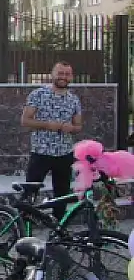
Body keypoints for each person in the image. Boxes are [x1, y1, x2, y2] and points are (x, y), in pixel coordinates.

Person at [21, 61, 82, 199]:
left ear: (71, 77)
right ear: (52, 74)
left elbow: (78, 126)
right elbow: (25, 121)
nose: (64, 77)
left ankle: (57, 220)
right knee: (30, 192)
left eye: (67, 74)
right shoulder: (38, 94)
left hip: (64, 154)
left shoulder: (74, 100)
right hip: (41, 152)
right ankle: (24, 219)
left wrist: (71, 128)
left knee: (62, 194)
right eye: (60, 73)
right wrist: (48, 125)